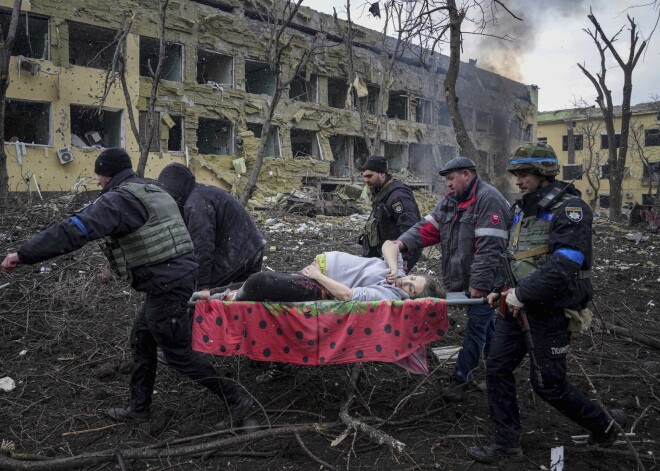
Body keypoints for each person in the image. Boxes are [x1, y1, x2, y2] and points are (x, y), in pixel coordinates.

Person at [1, 148, 252, 430]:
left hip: (167, 283)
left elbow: (74, 230)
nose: (97, 183)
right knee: (142, 339)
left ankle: (236, 398)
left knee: (177, 352)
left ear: (107, 175)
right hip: (174, 278)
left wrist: (24, 254)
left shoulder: (119, 201)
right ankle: (139, 408)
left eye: (98, 176)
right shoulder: (150, 188)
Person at [468, 143, 622, 462]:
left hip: (549, 310)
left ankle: (605, 427)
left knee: (548, 385)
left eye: (524, 174)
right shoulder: (521, 210)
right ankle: (507, 444)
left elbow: (566, 263)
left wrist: (521, 294)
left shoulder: (571, 210)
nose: (519, 180)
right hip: (515, 308)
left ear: (543, 174)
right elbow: (512, 258)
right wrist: (501, 289)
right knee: (496, 368)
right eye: (517, 174)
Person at [393, 156, 509, 401]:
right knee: (487, 327)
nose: (447, 184)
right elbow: (427, 229)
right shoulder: (450, 202)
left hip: (487, 282)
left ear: (466, 175)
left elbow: (490, 248)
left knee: (477, 327)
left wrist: (478, 285)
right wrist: (401, 242)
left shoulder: (489, 200)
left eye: (451, 178)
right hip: (464, 280)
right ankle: (498, 372)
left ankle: (461, 378)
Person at [158, 163, 266, 300]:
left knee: (206, 296)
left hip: (238, 253)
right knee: (239, 301)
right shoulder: (200, 193)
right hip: (250, 248)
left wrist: (202, 287)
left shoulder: (195, 205)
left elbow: (202, 247)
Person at [226, 241, 442, 302]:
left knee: (260, 282)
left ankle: (225, 299)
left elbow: (348, 295)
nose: (406, 283)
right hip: (318, 270)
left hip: (319, 284)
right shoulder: (398, 274)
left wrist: (318, 275)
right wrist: (394, 268)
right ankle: (208, 294)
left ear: (412, 299)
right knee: (255, 283)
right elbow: (389, 245)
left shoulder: (389, 295)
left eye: (411, 289)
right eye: (412, 278)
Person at [359, 155, 422, 272]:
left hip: (398, 253)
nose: (366, 180)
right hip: (387, 252)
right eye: (364, 177)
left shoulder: (397, 196)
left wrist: (404, 256)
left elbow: (410, 227)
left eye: (369, 176)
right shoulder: (382, 192)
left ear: (382, 173)